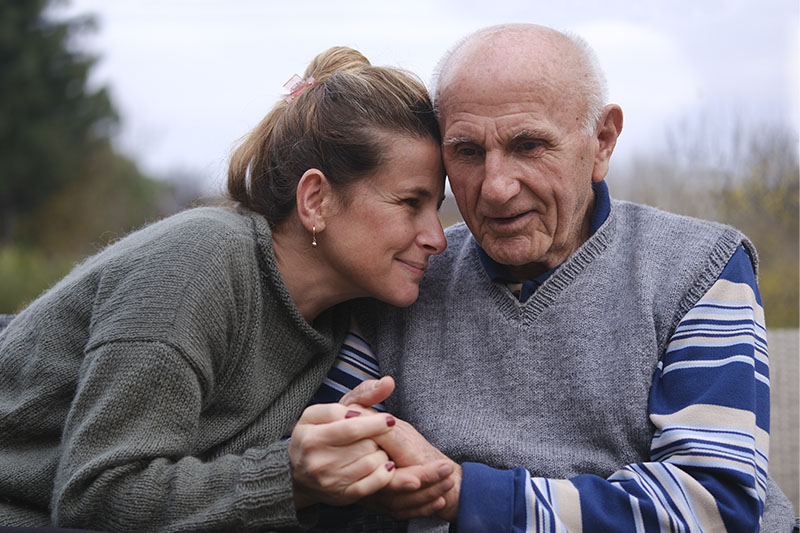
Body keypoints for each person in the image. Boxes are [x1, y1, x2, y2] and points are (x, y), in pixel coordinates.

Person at [336, 24, 797, 531]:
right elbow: (338, 460)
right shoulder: (406, 276)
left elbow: (713, 507)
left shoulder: (699, 265)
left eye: (529, 145)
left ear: (602, 141)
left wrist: (465, 496)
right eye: (467, 151)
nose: (495, 187)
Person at [0, 46, 454, 531]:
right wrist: (292, 480)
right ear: (316, 200)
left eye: (437, 207)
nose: (439, 238)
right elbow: (94, 498)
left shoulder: (335, 318)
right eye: (410, 203)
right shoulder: (199, 264)